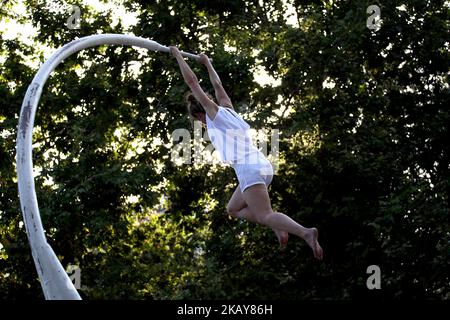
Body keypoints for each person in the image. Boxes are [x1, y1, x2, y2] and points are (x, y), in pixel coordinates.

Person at [170, 46, 323, 260]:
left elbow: (192, 82)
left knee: (265, 214)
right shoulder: (228, 109)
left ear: (198, 116)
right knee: (233, 208)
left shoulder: (213, 115)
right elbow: (217, 85)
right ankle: (276, 226)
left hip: (248, 169)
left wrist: (177, 55)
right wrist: (207, 63)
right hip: (262, 165)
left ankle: (305, 232)